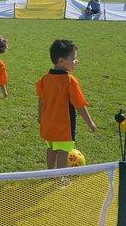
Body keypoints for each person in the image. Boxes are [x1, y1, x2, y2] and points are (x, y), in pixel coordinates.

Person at [36, 39, 97, 169]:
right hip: (64, 127)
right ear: (61, 61)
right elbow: (80, 105)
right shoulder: (70, 81)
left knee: (51, 148)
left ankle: (49, 174)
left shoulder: (45, 79)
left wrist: (39, 116)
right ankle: (59, 179)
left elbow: (41, 99)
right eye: (74, 58)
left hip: (48, 124)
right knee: (63, 152)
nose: (77, 61)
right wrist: (90, 123)